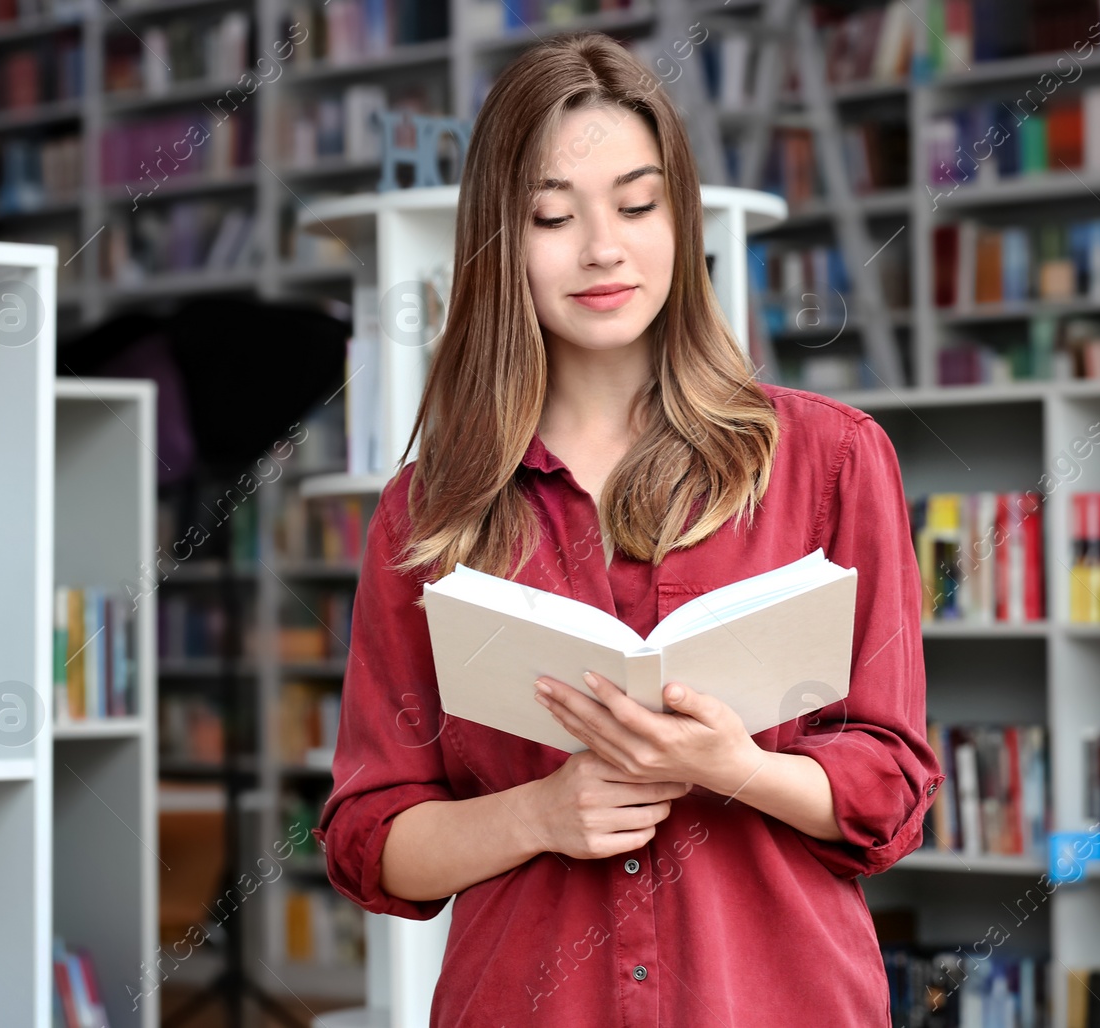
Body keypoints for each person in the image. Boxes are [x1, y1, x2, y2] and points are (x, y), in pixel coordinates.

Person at [313, 30, 941, 1026]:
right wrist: (537, 814)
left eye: (638, 205)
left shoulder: (830, 457)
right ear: (499, 242)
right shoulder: (428, 510)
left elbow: (893, 789)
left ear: (681, 217)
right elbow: (366, 836)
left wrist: (736, 769)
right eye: (553, 216)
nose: (603, 248)